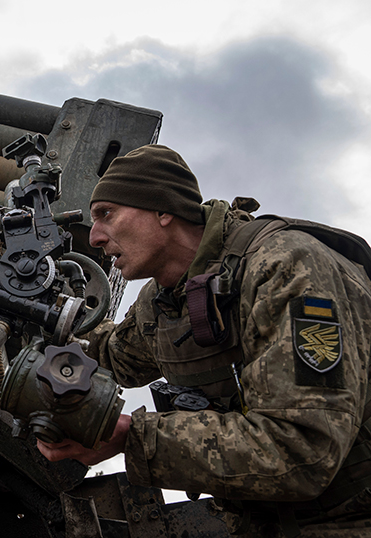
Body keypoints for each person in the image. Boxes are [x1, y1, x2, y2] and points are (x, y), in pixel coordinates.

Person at [37, 145, 371, 537]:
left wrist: (133, 438)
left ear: (163, 210)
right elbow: (111, 357)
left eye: (106, 214)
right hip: (259, 523)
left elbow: (302, 450)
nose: (94, 237)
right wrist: (41, 308)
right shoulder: (165, 301)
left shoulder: (286, 267)